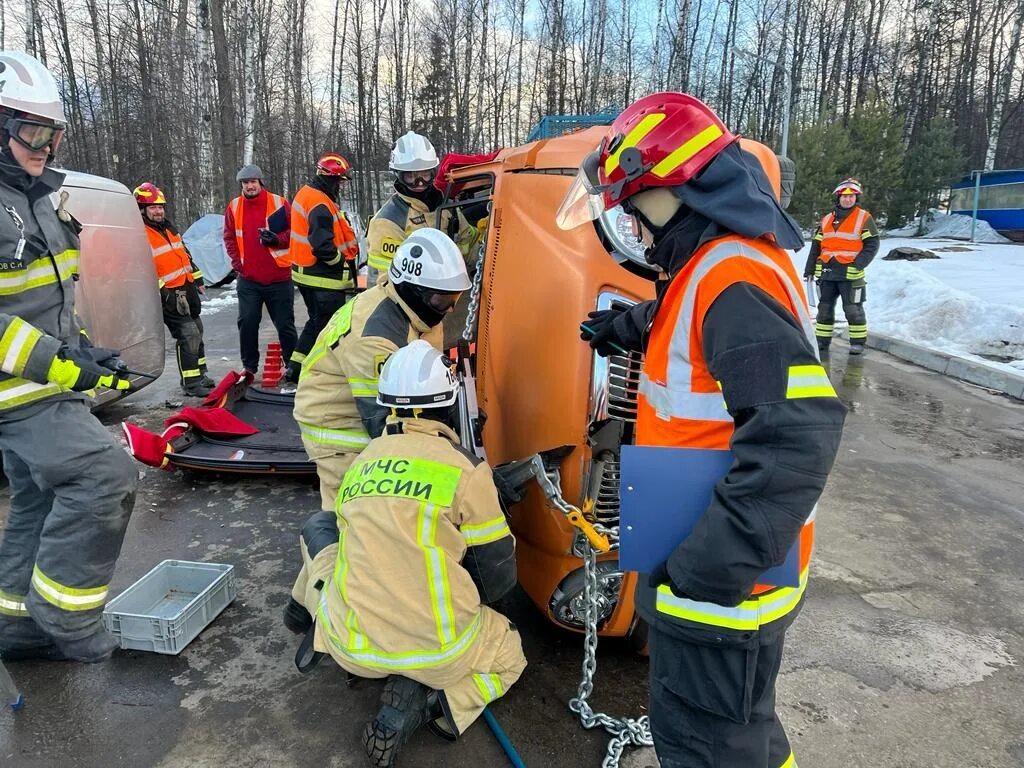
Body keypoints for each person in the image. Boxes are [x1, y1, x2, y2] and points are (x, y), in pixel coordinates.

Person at [560, 91, 846, 768]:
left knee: (708, 748)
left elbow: (798, 433)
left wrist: (701, 572)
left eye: (635, 207)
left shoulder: (731, 277)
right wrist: (622, 327)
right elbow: (688, 321)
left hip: (724, 583)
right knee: (746, 740)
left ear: (670, 193)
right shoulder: (721, 260)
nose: (636, 223)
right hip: (727, 561)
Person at [287, 339, 525, 768]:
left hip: (352, 644)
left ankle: (305, 613)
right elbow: (497, 580)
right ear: (449, 405)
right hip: (437, 653)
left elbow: (355, 544)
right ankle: (440, 706)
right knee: (510, 655)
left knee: (322, 541)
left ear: (388, 407)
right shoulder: (466, 473)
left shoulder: (361, 462)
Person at [0, 50, 138, 663]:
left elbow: (49, 297)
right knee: (103, 476)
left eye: (53, 133)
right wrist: (60, 362)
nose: (46, 147)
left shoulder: (38, 196)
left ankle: (16, 626)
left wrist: (85, 351)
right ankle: (67, 615)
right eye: (33, 131)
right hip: (16, 391)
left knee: (37, 495)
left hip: (42, 380)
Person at [291, 227, 470, 514]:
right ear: (415, 290)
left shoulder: (408, 307)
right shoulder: (377, 339)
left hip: (356, 408)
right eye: (442, 300)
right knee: (355, 506)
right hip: (339, 426)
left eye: (455, 298)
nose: (450, 309)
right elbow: (386, 421)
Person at [366, 131, 480, 287]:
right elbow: (389, 282)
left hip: (445, 295)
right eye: (411, 176)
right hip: (408, 301)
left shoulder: (447, 208)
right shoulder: (388, 221)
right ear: (399, 175)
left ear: (433, 172)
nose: (419, 182)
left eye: (425, 174)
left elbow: (469, 243)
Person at [284, 153, 360, 382]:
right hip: (322, 278)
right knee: (326, 325)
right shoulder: (320, 203)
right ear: (331, 179)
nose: (341, 187)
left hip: (307, 273)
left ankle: (295, 367)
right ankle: (309, 371)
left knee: (315, 322)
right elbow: (323, 246)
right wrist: (341, 266)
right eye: (340, 182)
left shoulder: (307, 194)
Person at [135, 181, 214, 397]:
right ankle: (190, 382)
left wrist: (197, 279)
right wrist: (163, 293)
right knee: (188, 334)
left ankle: (200, 373)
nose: (158, 210)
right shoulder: (140, 234)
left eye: (160, 206)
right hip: (169, 294)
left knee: (198, 329)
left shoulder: (169, 227)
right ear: (142, 210)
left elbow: (184, 254)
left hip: (186, 288)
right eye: (153, 207)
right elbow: (141, 269)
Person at [223, 163, 297, 375]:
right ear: (242, 185)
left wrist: (276, 239)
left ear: (260, 182)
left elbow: (294, 232)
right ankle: (249, 366)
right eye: (246, 183)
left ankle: (292, 366)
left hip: (279, 277)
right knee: (247, 322)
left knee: (285, 325)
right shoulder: (234, 206)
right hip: (249, 280)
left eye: (253, 182)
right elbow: (229, 237)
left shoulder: (278, 203)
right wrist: (238, 264)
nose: (249, 186)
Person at [803, 177, 879, 355]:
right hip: (827, 272)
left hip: (850, 273)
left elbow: (872, 244)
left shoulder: (863, 218)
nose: (848, 199)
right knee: (824, 310)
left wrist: (859, 264)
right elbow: (816, 246)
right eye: (844, 196)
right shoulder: (827, 219)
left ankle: (858, 343)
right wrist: (810, 269)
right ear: (838, 198)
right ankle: (821, 342)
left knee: (853, 309)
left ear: (856, 198)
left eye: (851, 196)